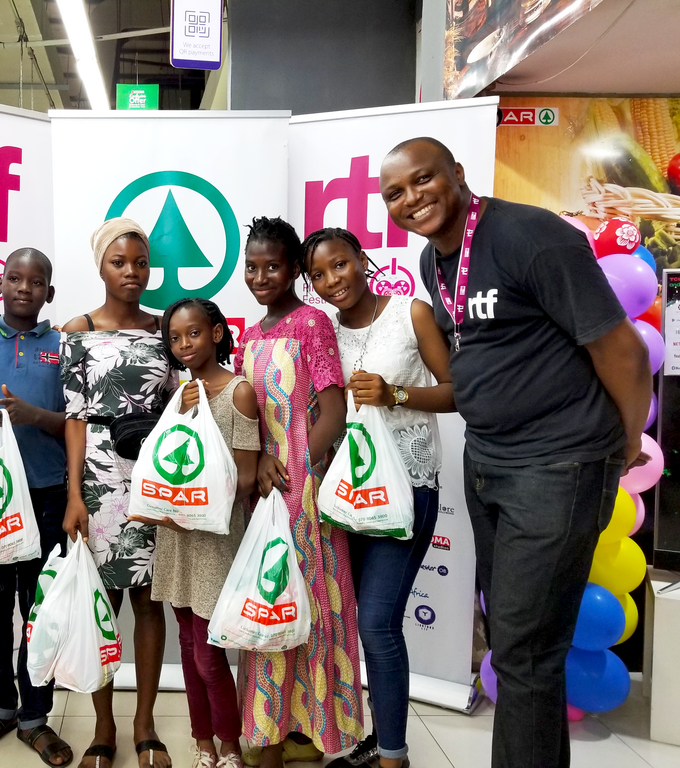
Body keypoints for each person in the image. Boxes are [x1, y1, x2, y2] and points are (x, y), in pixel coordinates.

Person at [379, 137, 652, 768]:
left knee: (524, 653)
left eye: (423, 180)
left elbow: (622, 350)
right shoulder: (433, 262)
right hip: (490, 462)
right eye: (395, 192)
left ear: (458, 174)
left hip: (557, 463)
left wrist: (626, 442)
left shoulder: (531, 236)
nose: (411, 198)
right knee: (520, 644)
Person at [303, 228, 456, 768]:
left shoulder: (410, 313)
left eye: (339, 265)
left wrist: (396, 394)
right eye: (317, 275)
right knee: (349, 621)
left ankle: (393, 756)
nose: (331, 282)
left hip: (407, 489)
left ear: (363, 260)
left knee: (376, 623)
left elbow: (460, 389)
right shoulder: (322, 334)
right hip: (345, 496)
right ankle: (376, 737)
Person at [234, 216, 363, 768]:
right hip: (262, 495)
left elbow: (333, 411)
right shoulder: (252, 333)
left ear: (294, 271)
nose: (261, 276)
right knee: (270, 609)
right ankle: (271, 729)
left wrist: (297, 477)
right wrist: (259, 472)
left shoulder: (313, 324)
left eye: (273, 266)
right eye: (252, 266)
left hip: (302, 494)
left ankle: (309, 733)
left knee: (309, 609)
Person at [60, 217, 178, 768]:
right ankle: (103, 727)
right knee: (100, 607)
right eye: (119, 262)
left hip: (155, 476)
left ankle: (145, 722)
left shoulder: (167, 330)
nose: (132, 272)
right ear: (100, 266)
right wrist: (74, 496)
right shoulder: (76, 330)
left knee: (149, 604)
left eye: (140, 262)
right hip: (100, 480)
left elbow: (183, 404)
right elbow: (75, 419)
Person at [128, 298, 260, 768]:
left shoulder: (239, 392)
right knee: (186, 645)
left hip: (215, 538)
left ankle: (229, 743)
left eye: (195, 334)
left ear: (219, 334)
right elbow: (170, 464)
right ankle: (201, 740)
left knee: (208, 654)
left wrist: (198, 507)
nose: (184, 345)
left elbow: (245, 477)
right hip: (177, 534)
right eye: (175, 337)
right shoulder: (181, 394)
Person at [0, 248, 73, 767]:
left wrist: (35, 416)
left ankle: (35, 718)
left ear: (49, 292)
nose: (24, 287)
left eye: (37, 281)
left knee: (38, 610)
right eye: (14, 278)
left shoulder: (63, 347)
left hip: (47, 494)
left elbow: (76, 423)